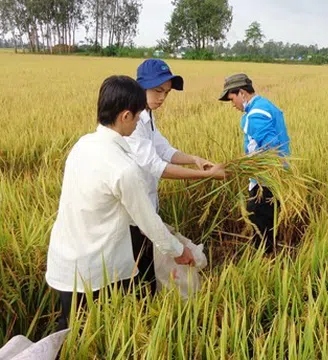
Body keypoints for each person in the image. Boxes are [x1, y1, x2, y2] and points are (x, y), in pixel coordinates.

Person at [45, 75, 219, 330]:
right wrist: (179, 251)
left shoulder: (82, 145)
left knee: (70, 329)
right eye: (137, 118)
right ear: (126, 116)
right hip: (97, 270)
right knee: (104, 331)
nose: (138, 122)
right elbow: (147, 221)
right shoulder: (123, 168)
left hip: (66, 261)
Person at [125, 59, 225, 294]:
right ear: (141, 86)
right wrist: (206, 176)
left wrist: (195, 159)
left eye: (166, 93)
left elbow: (165, 150)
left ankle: (148, 306)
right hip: (131, 213)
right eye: (158, 90)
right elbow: (155, 165)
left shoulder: (147, 116)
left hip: (146, 208)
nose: (162, 98)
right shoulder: (132, 121)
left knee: (148, 270)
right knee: (138, 274)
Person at [219, 73, 290, 253]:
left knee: (260, 226)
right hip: (275, 178)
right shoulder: (266, 105)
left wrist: (242, 165)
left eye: (232, 98)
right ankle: (267, 257)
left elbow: (270, 148)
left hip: (263, 183)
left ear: (242, 93)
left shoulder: (255, 114)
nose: (233, 105)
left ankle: (263, 264)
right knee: (267, 225)